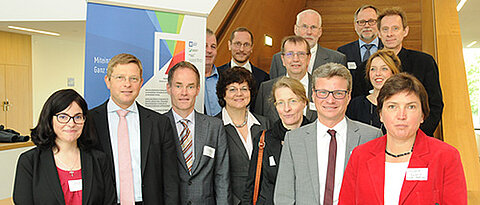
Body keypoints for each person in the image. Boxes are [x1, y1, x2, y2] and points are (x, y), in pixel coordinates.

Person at [339, 73, 467, 204]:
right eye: (392, 106)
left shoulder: (446, 156)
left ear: (422, 115)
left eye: (410, 107)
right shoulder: (360, 155)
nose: (401, 115)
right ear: (381, 115)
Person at [274, 63, 382, 205]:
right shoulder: (294, 140)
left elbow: (377, 193)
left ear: (348, 96)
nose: (330, 100)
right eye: (323, 92)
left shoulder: (371, 137)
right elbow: (284, 197)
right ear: (313, 95)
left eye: (338, 93)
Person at [88, 53, 180, 204]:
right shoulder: (89, 121)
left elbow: (171, 178)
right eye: (120, 78)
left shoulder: (159, 123)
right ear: (108, 81)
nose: (127, 84)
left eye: (133, 78)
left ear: (141, 82)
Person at [13, 89, 115, 204]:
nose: (71, 124)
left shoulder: (99, 160)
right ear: (49, 119)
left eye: (77, 117)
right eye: (63, 117)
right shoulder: (30, 161)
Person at [353, 7, 444, 137]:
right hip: (374, 141)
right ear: (378, 32)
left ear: (405, 31)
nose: (390, 34)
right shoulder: (365, 68)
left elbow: (435, 106)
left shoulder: (424, 62)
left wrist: (414, 137)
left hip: (416, 139)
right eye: (385, 29)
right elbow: (359, 108)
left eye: (395, 28)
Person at [165, 61, 231, 205]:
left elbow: (222, 176)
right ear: (168, 88)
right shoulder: (158, 125)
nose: (184, 92)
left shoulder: (214, 126)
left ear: (198, 89)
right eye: (178, 86)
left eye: (190, 86)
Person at [242, 77, 312, 205]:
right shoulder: (264, 140)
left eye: (292, 101)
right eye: (280, 103)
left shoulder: (316, 138)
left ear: (304, 102)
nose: (286, 109)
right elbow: (251, 186)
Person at [215, 66, 270, 205]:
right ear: (223, 93)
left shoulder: (265, 124)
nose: (239, 93)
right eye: (232, 89)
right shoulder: (214, 126)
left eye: (244, 88)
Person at [255, 36, 317, 124]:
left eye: (301, 54)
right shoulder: (266, 89)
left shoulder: (320, 87)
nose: (295, 59)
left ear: (309, 58)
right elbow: (260, 123)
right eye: (289, 54)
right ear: (283, 59)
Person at [269, 9, 346, 79]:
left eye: (313, 27)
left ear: (320, 31)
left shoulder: (336, 59)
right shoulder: (278, 59)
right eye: (304, 26)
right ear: (296, 29)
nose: (309, 32)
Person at [346, 49, 401, 131]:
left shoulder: (402, 103)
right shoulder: (356, 105)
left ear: (394, 73)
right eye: (373, 69)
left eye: (384, 69)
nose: (377, 73)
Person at [218, 27, 269, 92]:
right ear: (229, 45)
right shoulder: (218, 75)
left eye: (246, 44)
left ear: (252, 48)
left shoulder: (263, 78)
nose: (242, 49)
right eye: (237, 44)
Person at [337, 5, 384, 76]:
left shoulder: (388, 50)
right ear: (355, 25)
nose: (367, 25)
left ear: (379, 23)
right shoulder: (343, 52)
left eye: (371, 21)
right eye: (362, 22)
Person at [204, 28, 222, 116]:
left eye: (213, 46)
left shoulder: (225, 78)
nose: (209, 51)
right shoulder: (188, 79)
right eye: (205, 46)